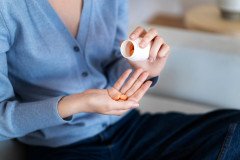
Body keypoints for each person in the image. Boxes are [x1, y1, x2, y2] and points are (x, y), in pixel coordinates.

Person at [0, 0, 239, 160]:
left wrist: (140, 67)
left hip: (129, 130)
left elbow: (111, 62)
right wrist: (79, 103)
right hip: (62, 149)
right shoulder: (7, 9)